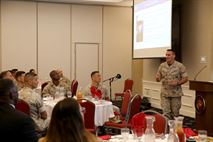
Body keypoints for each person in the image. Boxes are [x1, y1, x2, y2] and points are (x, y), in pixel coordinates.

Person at [155, 49, 188, 119]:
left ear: (174, 56)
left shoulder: (180, 66)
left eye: (169, 55)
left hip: (175, 94)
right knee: (165, 114)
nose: (167, 56)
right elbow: (158, 78)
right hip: (165, 93)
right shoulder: (162, 65)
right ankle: (166, 129)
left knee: (175, 114)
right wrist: (157, 78)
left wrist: (177, 83)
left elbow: (185, 78)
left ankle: (174, 129)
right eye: (166, 55)